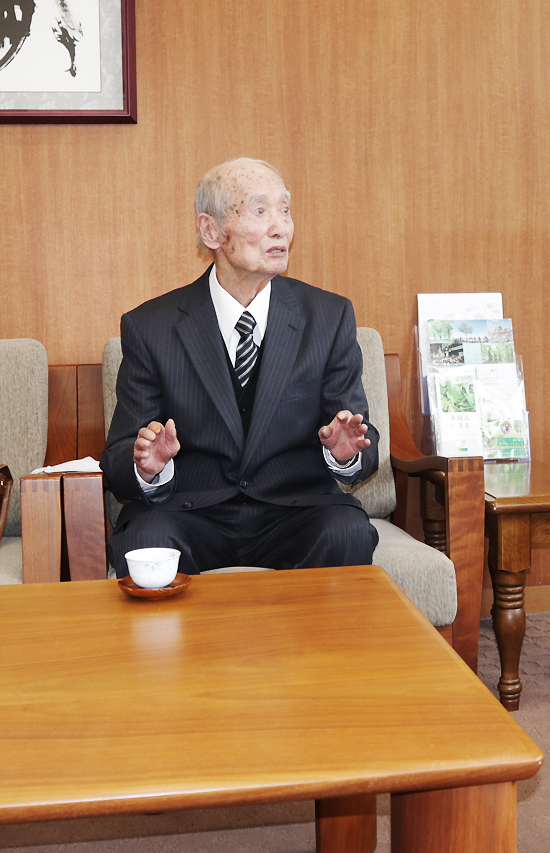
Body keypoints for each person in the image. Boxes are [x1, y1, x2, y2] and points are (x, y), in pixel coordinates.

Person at [102, 158, 379, 576]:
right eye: (260, 210)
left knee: (347, 532)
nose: (281, 227)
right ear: (211, 231)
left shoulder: (329, 316)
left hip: (295, 511)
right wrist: (147, 465)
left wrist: (344, 455)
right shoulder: (150, 327)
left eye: (284, 210)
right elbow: (119, 454)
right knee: (143, 540)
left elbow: (360, 436)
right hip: (193, 512)